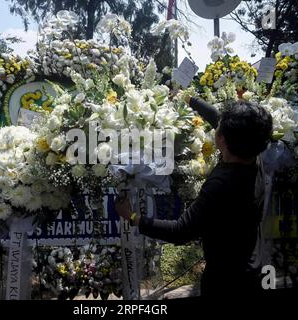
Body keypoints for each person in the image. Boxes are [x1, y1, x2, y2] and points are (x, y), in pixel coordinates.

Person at [115, 98, 273, 296]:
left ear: (221, 138)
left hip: (226, 280)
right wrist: (190, 99)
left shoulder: (221, 185)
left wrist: (131, 216)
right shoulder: (253, 154)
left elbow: (181, 231)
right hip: (255, 264)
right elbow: (219, 119)